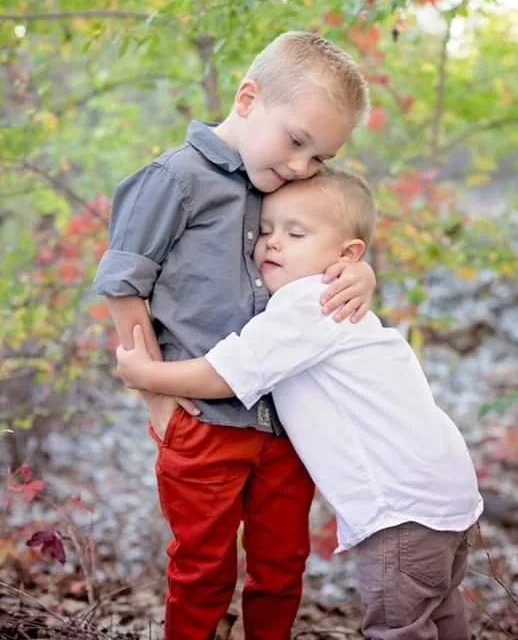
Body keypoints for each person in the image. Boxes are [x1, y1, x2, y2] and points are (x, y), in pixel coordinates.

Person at [116, 168, 483, 640]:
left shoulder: (311, 304)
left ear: (347, 255)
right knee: (442, 617)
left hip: (401, 511)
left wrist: (149, 377)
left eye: (295, 233)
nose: (272, 243)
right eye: (265, 231)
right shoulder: (334, 303)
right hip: (442, 498)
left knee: (399, 628)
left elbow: (231, 372)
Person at [94, 31, 376, 640]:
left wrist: (363, 270)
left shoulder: (285, 181)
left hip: (286, 422)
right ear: (248, 98)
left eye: (319, 157)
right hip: (203, 419)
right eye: (297, 141)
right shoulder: (175, 179)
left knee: (281, 565)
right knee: (203, 568)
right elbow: (124, 286)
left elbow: (336, 237)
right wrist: (158, 402)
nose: (303, 166)